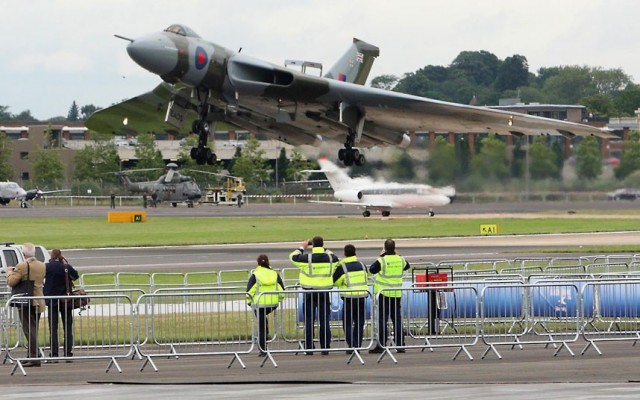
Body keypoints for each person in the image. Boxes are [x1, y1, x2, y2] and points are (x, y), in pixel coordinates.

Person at [289, 236, 339, 355]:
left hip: (310, 292)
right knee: (324, 320)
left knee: (309, 320)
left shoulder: (308, 258)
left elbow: (293, 257)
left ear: (313, 245)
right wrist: (323, 248)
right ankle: (325, 346)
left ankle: (309, 347)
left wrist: (303, 247)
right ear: (322, 245)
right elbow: (336, 257)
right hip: (324, 292)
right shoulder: (330, 258)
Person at [6, 243, 46, 367]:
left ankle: (34, 357)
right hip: (39, 300)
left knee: (29, 330)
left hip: (27, 301)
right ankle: (32, 354)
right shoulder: (42, 265)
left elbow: (12, 282)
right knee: (33, 329)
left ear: (24, 254)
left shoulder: (22, 266)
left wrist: (9, 272)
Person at [368, 239, 410, 354]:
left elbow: (372, 269)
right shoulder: (400, 259)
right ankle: (400, 345)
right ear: (395, 248)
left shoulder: (382, 260)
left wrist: (382, 255)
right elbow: (407, 266)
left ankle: (381, 345)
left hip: (383, 294)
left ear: (385, 248)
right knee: (397, 320)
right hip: (396, 294)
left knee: (382, 320)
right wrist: (397, 254)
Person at [44, 249, 79, 360]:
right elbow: (76, 276)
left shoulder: (47, 267)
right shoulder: (65, 267)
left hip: (51, 300)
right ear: (61, 256)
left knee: (53, 329)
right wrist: (65, 264)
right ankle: (67, 353)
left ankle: (54, 354)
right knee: (67, 328)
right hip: (65, 300)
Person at [332, 244, 368, 354]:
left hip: (349, 298)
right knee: (359, 322)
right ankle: (357, 344)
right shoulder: (362, 265)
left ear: (345, 254)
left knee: (347, 322)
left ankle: (351, 344)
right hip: (362, 297)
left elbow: (335, 281)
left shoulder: (342, 267)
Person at [246, 254, 285, 355]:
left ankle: (263, 348)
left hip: (259, 304)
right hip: (272, 303)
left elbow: (249, 291)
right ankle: (265, 337)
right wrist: (279, 299)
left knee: (261, 325)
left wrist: (249, 302)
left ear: (258, 263)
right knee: (263, 321)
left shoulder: (256, 274)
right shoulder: (274, 273)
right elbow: (281, 289)